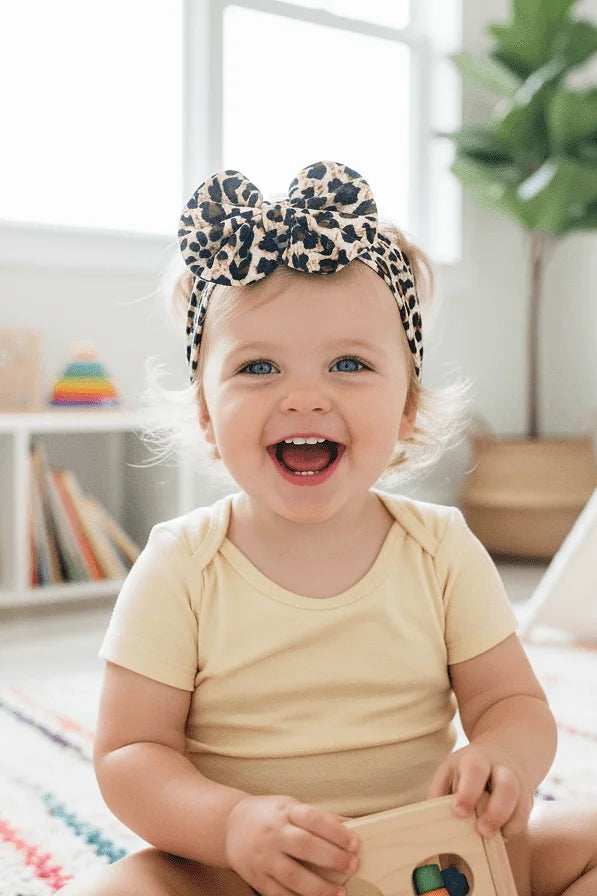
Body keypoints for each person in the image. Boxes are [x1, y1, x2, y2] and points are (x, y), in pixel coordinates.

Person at [59, 161, 597, 896]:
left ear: (407, 408)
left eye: (348, 363)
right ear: (208, 417)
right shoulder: (182, 564)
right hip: (245, 876)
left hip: (435, 866)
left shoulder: (439, 549)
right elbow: (130, 754)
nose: (305, 396)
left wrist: (503, 759)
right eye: (258, 367)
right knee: (122, 888)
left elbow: (512, 704)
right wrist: (230, 826)